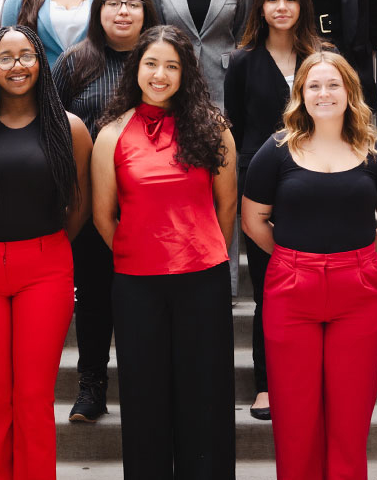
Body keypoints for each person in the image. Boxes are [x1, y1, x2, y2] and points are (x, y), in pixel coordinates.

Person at [242, 51, 377, 479]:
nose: (324, 93)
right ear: (300, 95)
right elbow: (253, 220)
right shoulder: (276, 151)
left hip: (358, 287)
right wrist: (292, 258)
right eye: (313, 86)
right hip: (291, 286)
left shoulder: (376, 153)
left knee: (350, 415)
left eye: (333, 84)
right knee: (295, 416)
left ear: (350, 92)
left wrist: (358, 259)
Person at [0, 25, 91, 479]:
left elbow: (79, 203)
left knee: (33, 396)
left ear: (40, 62)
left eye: (26, 55)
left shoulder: (69, 128)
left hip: (45, 267)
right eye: (5, 58)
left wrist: (44, 246)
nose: (17, 66)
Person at [91, 25, 237, 479]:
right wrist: (142, 254)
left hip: (203, 279)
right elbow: (102, 215)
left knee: (205, 395)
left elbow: (227, 205)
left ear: (185, 73)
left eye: (171, 66)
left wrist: (199, 249)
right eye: (151, 64)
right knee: (144, 395)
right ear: (136, 68)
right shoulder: (111, 134)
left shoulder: (214, 128)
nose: (160, 74)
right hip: (137, 286)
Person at [52, 0, 160, 421]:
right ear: (98, 12)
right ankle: (92, 385)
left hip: (151, 208)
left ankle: (146, 387)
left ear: (145, 11)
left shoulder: (160, 60)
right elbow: (51, 129)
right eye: (112, 3)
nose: (122, 12)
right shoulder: (76, 62)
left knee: (146, 301)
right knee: (94, 299)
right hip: (92, 206)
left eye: (131, 4)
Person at [224, 0, 322, 422]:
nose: (281, 7)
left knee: (315, 285)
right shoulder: (242, 61)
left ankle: (313, 378)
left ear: (303, 6)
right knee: (268, 289)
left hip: (318, 180)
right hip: (260, 183)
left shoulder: (322, 58)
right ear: (259, 7)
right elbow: (236, 128)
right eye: (272, 0)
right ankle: (266, 384)